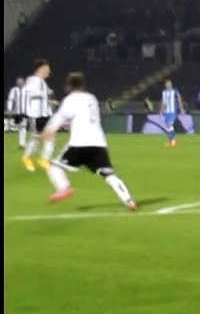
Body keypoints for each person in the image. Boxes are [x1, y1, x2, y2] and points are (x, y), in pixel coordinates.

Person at [41, 72, 137, 211]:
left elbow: (60, 117)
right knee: (109, 175)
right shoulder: (92, 98)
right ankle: (129, 201)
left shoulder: (70, 99)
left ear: (69, 86)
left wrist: (48, 130)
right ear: (82, 85)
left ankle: (64, 188)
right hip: (98, 143)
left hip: (79, 143)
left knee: (54, 167)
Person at [21, 59, 55, 172]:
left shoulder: (40, 81)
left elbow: (41, 97)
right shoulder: (35, 80)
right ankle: (31, 158)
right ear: (41, 68)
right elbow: (27, 91)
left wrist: (50, 102)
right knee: (38, 138)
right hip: (37, 115)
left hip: (44, 114)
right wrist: (44, 93)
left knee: (47, 137)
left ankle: (42, 159)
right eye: (47, 68)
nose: (49, 71)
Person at [160, 79, 184, 148]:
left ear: (171, 84)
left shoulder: (175, 92)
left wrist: (181, 109)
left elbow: (179, 100)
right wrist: (161, 110)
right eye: (167, 84)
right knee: (168, 127)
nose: (168, 85)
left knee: (169, 125)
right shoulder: (164, 93)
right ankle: (172, 140)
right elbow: (163, 102)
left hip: (173, 111)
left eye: (169, 84)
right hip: (166, 112)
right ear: (165, 85)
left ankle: (173, 141)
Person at [7, 76, 25, 148]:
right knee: (21, 127)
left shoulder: (27, 89)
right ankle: (22, 143)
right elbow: (10, 100)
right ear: (17, 82)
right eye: (19, 81)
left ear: (24, 81)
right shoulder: (13, 90)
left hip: (27, 111)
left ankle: (23, 143)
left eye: (21, 81)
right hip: (18, 112)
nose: (20, 82)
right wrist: (9, 109)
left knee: (24, 127)